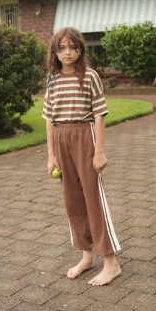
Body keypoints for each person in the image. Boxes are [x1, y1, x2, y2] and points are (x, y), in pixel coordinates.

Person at [42, 27, 122, 286]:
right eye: (63, 48)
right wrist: (51, 155)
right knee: (72, 201)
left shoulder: (89, 76)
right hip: (61, 138)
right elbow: (49, 119)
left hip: (84, 136)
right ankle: (87, 256)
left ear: (80, 50)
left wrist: (99, 150)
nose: (68, 53)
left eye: (73, 48)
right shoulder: (52, 79)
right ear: (55, 50)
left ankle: (111, 263)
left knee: (93, 198)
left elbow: (99, 114)